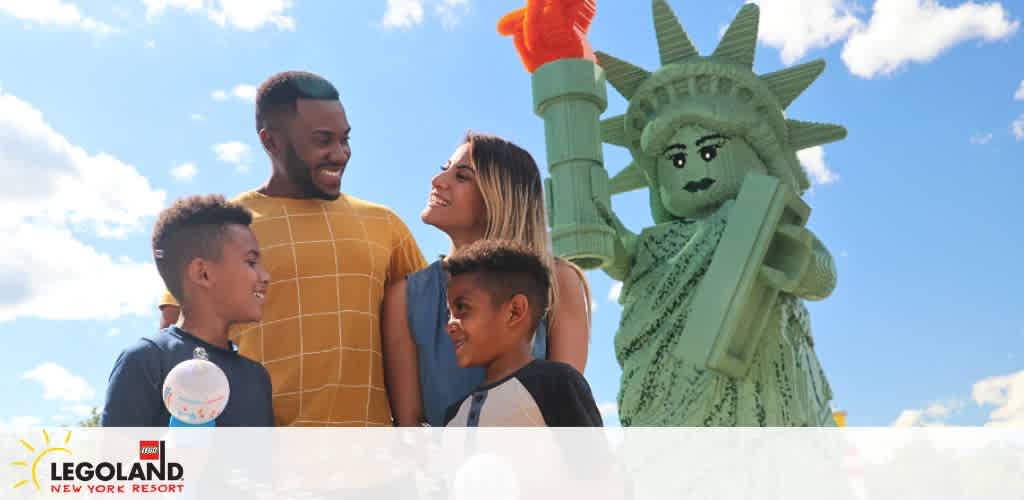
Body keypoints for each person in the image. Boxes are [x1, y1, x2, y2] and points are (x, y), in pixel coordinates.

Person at [158, 71, 428, 427]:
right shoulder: (221, 230)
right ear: (271, 141)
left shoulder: (386, 226)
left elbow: (425, 333)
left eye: (345, 139)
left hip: (374, 465)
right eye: (322, 140)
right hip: (256, 465)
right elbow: (176, 346)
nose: (340, 154)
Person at [382, 132, 593, 427]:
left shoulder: (558, 282)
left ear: (500, 197)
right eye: (445, 168)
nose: (437, 180)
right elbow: (410, 427)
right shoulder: (403, 297)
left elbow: (563, 406)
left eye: (463, 176)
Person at [102, 195, 273, 427]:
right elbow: (119, 454)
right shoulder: (146, 360)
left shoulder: (256, 378)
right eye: (251, 262)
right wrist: (166, 450)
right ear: (203, 273)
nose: (265, 276)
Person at [440, 240, 601, 426]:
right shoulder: (453, 416)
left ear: (514, 311)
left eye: (462, 308)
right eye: (450, 312)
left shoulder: (557, 386)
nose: (450, 325)